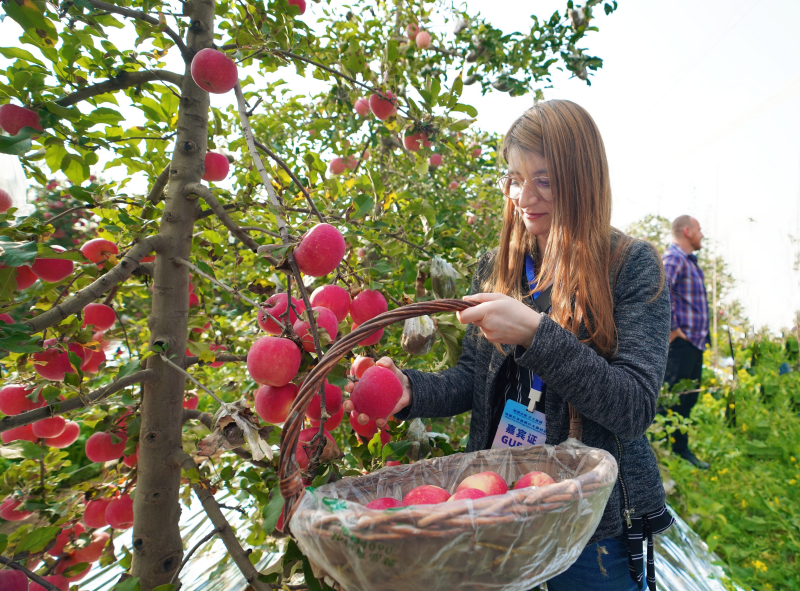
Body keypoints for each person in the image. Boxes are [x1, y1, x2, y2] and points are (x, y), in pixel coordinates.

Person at [344, 100, 674, 590]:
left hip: (589, 525)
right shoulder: (500, 267)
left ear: (582, 179)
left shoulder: (629, 266)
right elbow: (471, 383)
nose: (523, 195)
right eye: (515, 178)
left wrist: (536, 335)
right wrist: (407, 392)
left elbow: (632, 407)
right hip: (500, 507)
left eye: (544, 179)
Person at [661, 216, 710, 469]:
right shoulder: (674, 258)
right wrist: (674, 330)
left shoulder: (690, 262)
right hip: (681, 343)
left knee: (687, 399)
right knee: (670, 398)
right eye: (699, 230)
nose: (702, 234)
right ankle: (657, 448)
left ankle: (678, 450)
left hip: (694, 344)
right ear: (688, 231)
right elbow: (660, 290)